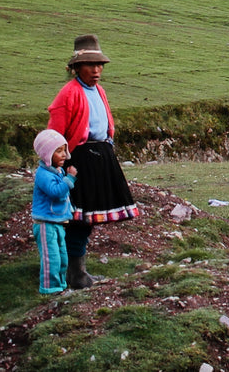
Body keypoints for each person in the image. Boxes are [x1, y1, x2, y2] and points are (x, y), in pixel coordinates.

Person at [47, 34, 139, 288]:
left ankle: (78, 272)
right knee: (78, 219)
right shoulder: (68, 95)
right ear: (76, 67)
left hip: (100, 158)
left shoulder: (99, 90)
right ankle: (74, 274)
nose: (96, 70)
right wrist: (59, 164)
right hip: (79, 160)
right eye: (90, 65)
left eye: (99, 65)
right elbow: (55, 135)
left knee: (87, 219)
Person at [31, 129, 77, 294]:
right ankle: (50, 289)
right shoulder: (43, 175)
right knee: (52, 258)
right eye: (58, 151)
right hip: (45, 224)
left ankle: (61, 285)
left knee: (63, 257)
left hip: (57, 222)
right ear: (46, 154)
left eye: (64, 150)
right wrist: (70, 179)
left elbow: (64, 198)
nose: (64, 154)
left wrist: (71, 211)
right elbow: (56, 192)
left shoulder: (57, 171)